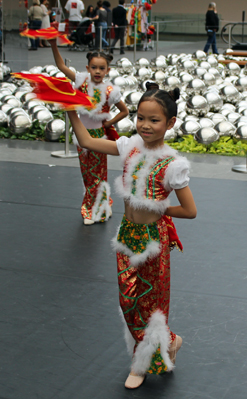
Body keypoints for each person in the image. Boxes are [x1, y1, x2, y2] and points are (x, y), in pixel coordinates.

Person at [67, 82, 197, 389]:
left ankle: (143, 362)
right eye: (141, 117)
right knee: (128, 299)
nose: (145, 125)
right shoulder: (129, 147)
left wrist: (162, 211)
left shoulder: (173, 165)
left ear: (170, 123)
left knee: (151, 302)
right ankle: (169, 340)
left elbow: (189, 211)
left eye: (154, 120)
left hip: (154, 240)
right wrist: (71, 109)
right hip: (128, 235)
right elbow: (86, 140)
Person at [49, 40, 129, 224]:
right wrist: (54, 45)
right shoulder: (80, 80)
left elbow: (124, 111)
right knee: (87, 175)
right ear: (88, 68)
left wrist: (109, 123)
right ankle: (102, 205)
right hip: (81, 136)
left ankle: (93, 211)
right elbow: (61, 66)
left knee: (98, 175)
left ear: (108, 70)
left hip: (99, 138)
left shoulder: (110, 91)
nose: (98, 71)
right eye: (94, 67)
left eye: (102, 68)